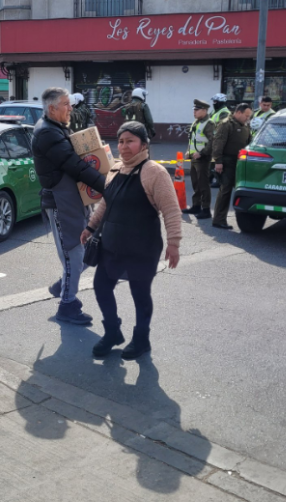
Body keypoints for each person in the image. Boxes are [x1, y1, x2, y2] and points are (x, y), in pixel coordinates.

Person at [80, 122, 183, 360]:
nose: (124, 146)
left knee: (140, 293)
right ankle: (113, 331)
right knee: (101, 286)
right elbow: (106, 203)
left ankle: (141, 339)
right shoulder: (115, 169)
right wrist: (91, 226)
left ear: (144, 144)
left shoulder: (154, 172)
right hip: (112, 244)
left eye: (130, 141)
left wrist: (174, 243)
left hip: (142, 246)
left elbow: (171, 210)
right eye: (121, 141)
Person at [31, 88, 107, 325]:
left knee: (87, 250)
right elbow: (74, 166)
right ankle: (67, 304)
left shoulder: (57, 128)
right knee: (75, 252)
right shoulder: (47, 133)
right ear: (52, 108)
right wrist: (107, 186)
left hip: (74, 201)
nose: (71, 108)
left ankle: (64, 283)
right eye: (66, 104)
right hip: (62, 204)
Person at [210, 103, 254, 230]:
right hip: (227, 161)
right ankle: (218, 219)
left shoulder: (245, 125)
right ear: (238, 112)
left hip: (239, 161)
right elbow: (218, 143)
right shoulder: (226, 124)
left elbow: (249, 142)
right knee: (225, 190)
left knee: (242, 190)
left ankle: (245, 221)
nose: (247, 118)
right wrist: (218, 161)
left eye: (249, 116)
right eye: (246, 115)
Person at [183, 99, 214, 219]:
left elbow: (212, 142)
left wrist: (202, 153)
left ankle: (206, 209)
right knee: (196, 183)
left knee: (203, 184)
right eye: (194, 110)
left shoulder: (209, 123)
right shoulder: (196, 122)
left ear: (205, 111)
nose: (194, 112)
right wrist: (188, 151)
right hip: (194, 158)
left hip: (203, 159)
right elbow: (192, 140)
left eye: (197, 110)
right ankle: (196, 206)